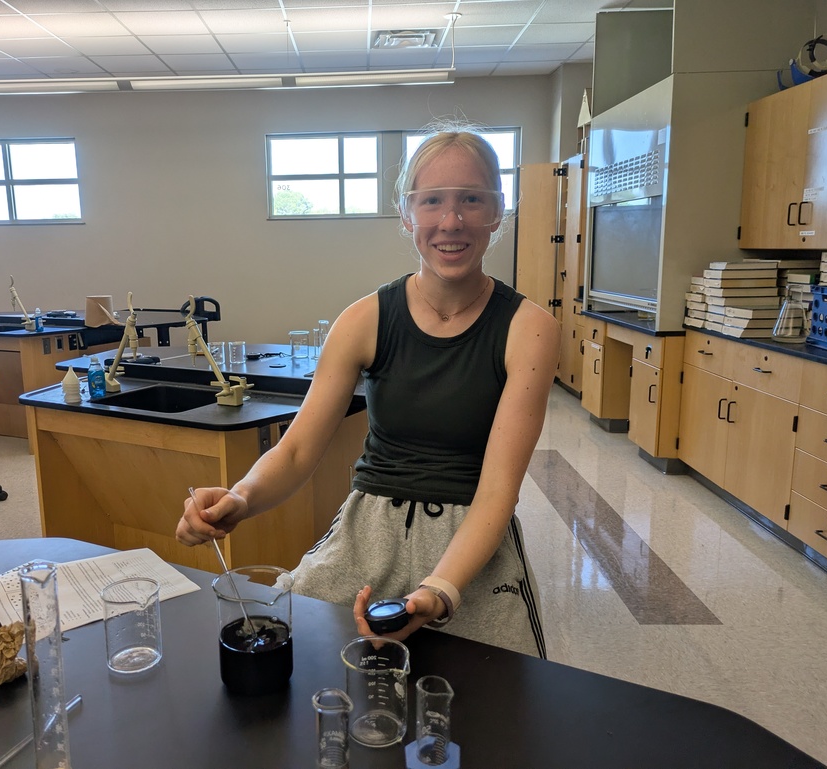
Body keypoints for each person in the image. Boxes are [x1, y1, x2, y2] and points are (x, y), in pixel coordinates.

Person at [177, 125, 560, 655]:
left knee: (487, 704)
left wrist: (439, 591)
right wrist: (239, 498)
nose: (451, 221)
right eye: (432, 202)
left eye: (472, 200)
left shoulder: (529, 328)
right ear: (407, 214)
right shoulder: (363, 321)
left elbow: (498, 491)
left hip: (471, 541)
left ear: (497, 212)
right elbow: (295, 451)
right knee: (294, 654)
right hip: (367, 532)